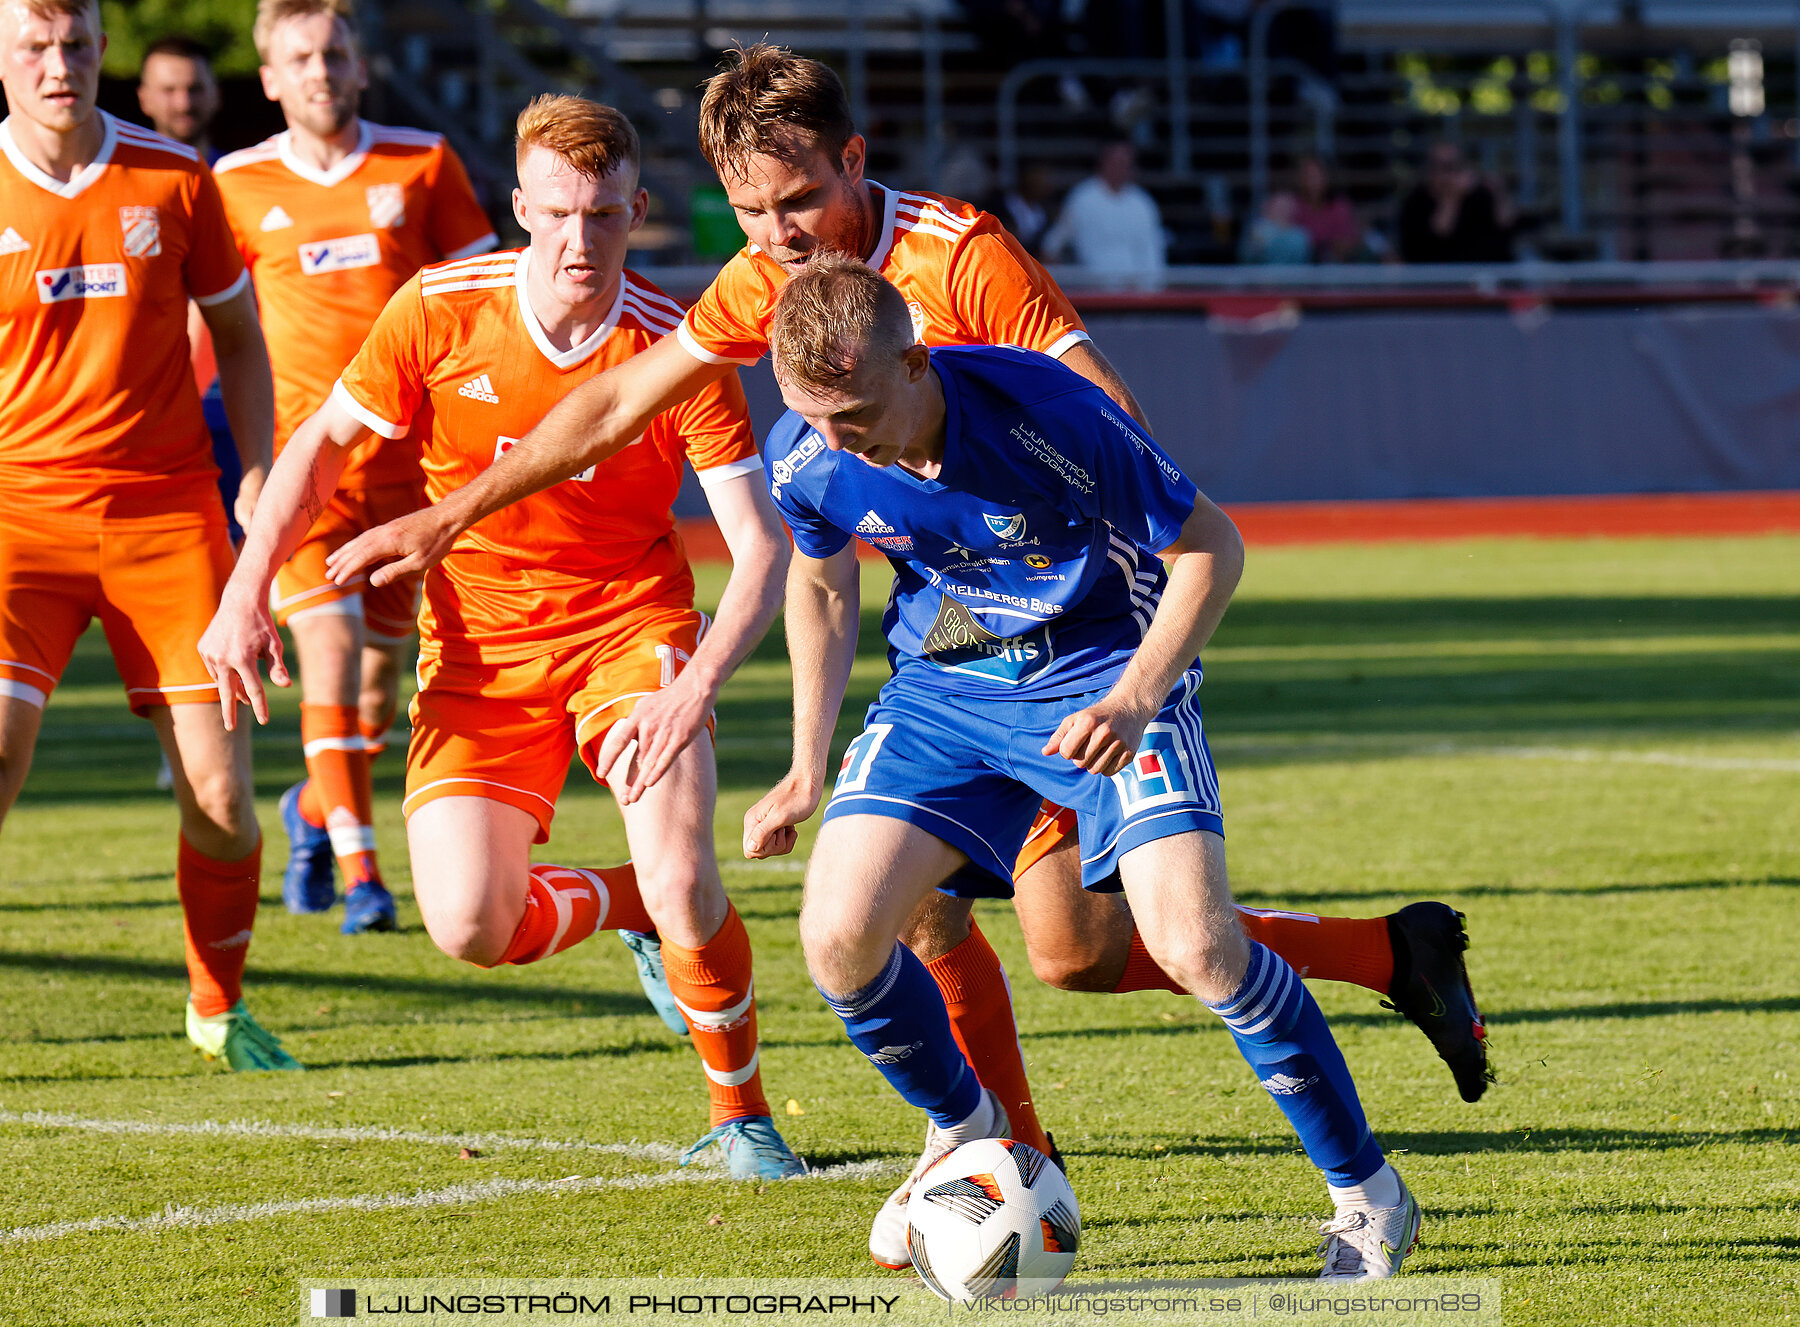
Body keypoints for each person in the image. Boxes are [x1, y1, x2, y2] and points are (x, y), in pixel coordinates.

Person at [322, 42, 1488, 1264]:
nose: (779, 235)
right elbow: (625, 412)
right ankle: (989, 1149)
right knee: (901, 925)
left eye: (799, 201)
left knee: (1102, 947)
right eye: (752, 211)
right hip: (945, 668)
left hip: (1083, 649)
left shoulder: (960, 259)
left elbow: (1110, 434)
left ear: (854, 163)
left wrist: (1114, 648)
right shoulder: (773, 308)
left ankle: (1351, 1085)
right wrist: (451, 513)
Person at [748, 254, 1423, 1280]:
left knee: (1197, 945)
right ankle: (971, 1133)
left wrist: (1137, 694)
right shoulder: (806, 454)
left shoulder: (1048, 410)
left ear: (918, 364)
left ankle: (1370, 1198)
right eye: (813, 418)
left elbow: (1212, 546)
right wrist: (804, 764)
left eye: (853, 415)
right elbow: (824, 586)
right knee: (838, 940)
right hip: (948, 689)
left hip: (1107, 670)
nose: (837, 442)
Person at [198, 93, 805, 1179]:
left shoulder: (683, 347)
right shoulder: (437, 307)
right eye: (560, 213)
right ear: (520, 207)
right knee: (472, 928)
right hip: (478, 652)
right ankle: (623, 905)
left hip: (631, 627)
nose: (582, 240)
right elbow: (321, 448)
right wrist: (246, 585)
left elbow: (761, 548)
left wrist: (695, 682)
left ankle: (742, 1115)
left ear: (638, 209)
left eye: (607, 215)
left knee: (683, 870)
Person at [0, 0, 297, 1070]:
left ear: (100, 51)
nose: (57, 65)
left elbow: (240, 338)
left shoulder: (174, 177)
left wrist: (256, 468)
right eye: (32, 46)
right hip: (15, 516)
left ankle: (216, 1006)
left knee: (221, 797)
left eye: (75, 43)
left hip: (165, 515)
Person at [211, 0, 498, 934]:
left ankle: (311, 805)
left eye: (334, 53)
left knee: (381, 685)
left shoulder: (422, 163)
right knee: (326, 662)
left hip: (412, 481)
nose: (320, 70)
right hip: (304, 474)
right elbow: (211, 326)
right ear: (269, 78)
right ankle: (363, 873)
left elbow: (484, 305)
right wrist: (250, 461)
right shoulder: (234, 183)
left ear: (360, 65)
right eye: (299, 58)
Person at [1041, 140, 1166, 288]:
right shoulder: (1082, 199)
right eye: (1116, 161)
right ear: (1103, 162)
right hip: (1096, 294)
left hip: (1139, 294)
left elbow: (1153, 252)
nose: (1121, 167)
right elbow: (1052, 245)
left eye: (1126, 163)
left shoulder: (1143, 203)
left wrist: (1154, 290)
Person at [1397, 140, 1514, 264]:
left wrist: (1499, 193)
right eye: (1442, 167)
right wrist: (1452, 198)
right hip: (1434, 276)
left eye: (1454, 167)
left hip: (1482, 274)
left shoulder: (1478, 195)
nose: (1448, 174)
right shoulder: (1416, 200)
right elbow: (1437, 236)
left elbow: (1506, 225)